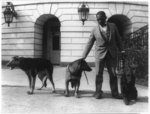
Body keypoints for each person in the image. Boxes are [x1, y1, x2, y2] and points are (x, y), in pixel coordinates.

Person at [82, 11, 122, 99]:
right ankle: (98, 92)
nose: (99, 21)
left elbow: (118, 39)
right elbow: (89, 43)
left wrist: (122, 50)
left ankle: (115, 93)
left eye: (101, 19)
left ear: (105, 18)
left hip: (112, 54)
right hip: (99, 54)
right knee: (98, 74)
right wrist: (83, 56)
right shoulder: (94, 30)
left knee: (113, 74)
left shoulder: (113, 26)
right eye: (98, 19)